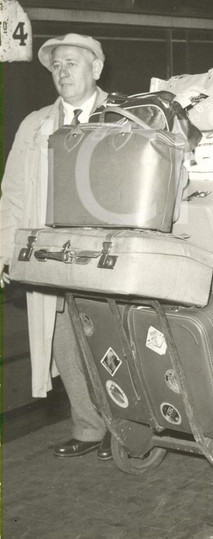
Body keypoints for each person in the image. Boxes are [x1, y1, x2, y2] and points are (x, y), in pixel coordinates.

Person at [0, 33, 112, 457]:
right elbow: (12, 193)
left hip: (104, 254)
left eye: (72, 63)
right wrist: (3, 248)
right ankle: (88, 428)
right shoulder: (35, 124)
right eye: (57, 66)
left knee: (111, 341)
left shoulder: (121, 116)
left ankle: (123, 430)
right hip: (48, 252)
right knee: (64, 341)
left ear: (96, 68)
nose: (63, 72)